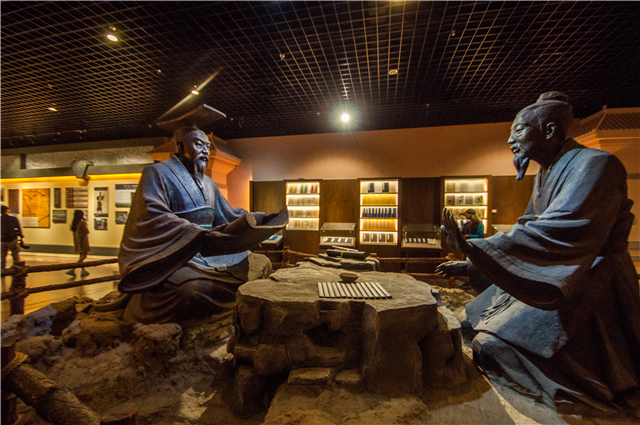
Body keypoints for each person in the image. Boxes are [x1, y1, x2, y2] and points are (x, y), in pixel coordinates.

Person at [437, 92, 640, 417]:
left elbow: (559, 233)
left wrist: (475, 248)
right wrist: (471, 262)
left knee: (492, 347)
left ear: (549, 130)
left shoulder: (596, 164)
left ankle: (570, 396)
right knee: (467, 323)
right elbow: (529, 226)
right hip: (558, 271)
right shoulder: (545, 174)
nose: (510, 140)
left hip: (586, 283)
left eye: (518, 130)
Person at [118, 126, 275, 324]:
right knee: (190, 290)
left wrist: (255, 220)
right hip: (178, 253)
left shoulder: (208, 183)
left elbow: (227, 214)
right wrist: (196, 234)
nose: (205, 151)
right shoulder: (156, 173)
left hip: (210, 252)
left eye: (208, 147)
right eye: (199, 144)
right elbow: (152, 215)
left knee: (261, 264)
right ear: (180, 145)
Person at [66, 210, 90, 277]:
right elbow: (86, 231)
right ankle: (72, 269)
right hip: (83, 242)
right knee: (84, 256)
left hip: (77, 242)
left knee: (81, 256)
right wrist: (86, 225)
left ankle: (83, 270)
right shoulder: (81, 223)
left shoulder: (74, 224)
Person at [1, 205, 24, 270]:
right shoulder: (13, 219)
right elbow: (18, 229)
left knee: (2, 257)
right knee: (15, 256)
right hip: (12, 239)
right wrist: (21, 237)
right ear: (6, 210)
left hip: (2, 240)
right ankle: (17, 269)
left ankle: (2, 270)